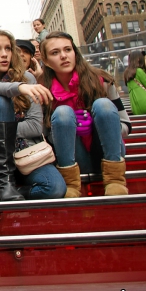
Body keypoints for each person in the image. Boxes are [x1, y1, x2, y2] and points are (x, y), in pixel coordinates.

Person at [0, 31, 65, 203]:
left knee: (55, 188)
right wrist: (19, 87)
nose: (4, 54)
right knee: (1, 101)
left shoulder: (28, 78)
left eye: (8, 48)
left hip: (26, 152)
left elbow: (36, 127)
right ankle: (5, 184)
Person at [41, 32, 131, 198]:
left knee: (102, 105)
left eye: (68, 49)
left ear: (75, 52)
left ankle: (116, 181)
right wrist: (67, 130)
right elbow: (42, 137)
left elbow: (126, 125)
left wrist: (99, 126)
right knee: (62, 113)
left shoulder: (102, 80)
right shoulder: (41, 91)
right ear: (46, 61)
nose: (63, 56)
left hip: (108, 153)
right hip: (71, 158)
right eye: (55, 53)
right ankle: (70, 184)